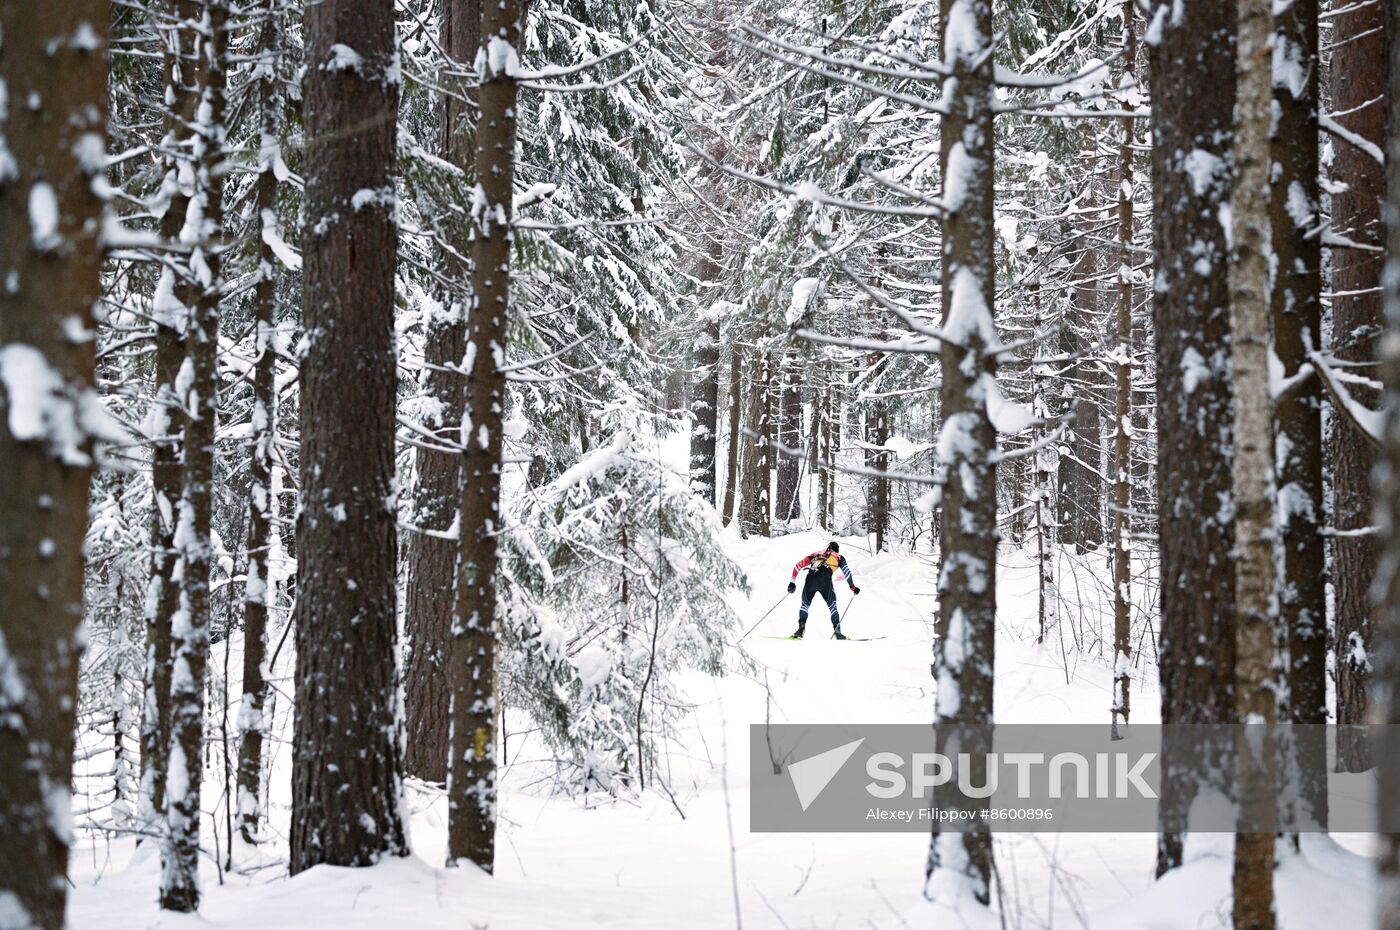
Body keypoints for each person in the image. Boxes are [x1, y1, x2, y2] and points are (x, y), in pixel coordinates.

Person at [787, 541, 860, 640]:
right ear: (837, 550)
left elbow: (798, 565)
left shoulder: (817, 554)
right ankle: (837, 632)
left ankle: (800, 629)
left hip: (810, 578)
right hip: (825, 580)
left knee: (805, 605)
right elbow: (847, 572)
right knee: (832, 606)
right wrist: (852, 587)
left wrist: (792, 582)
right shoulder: (839, 557)